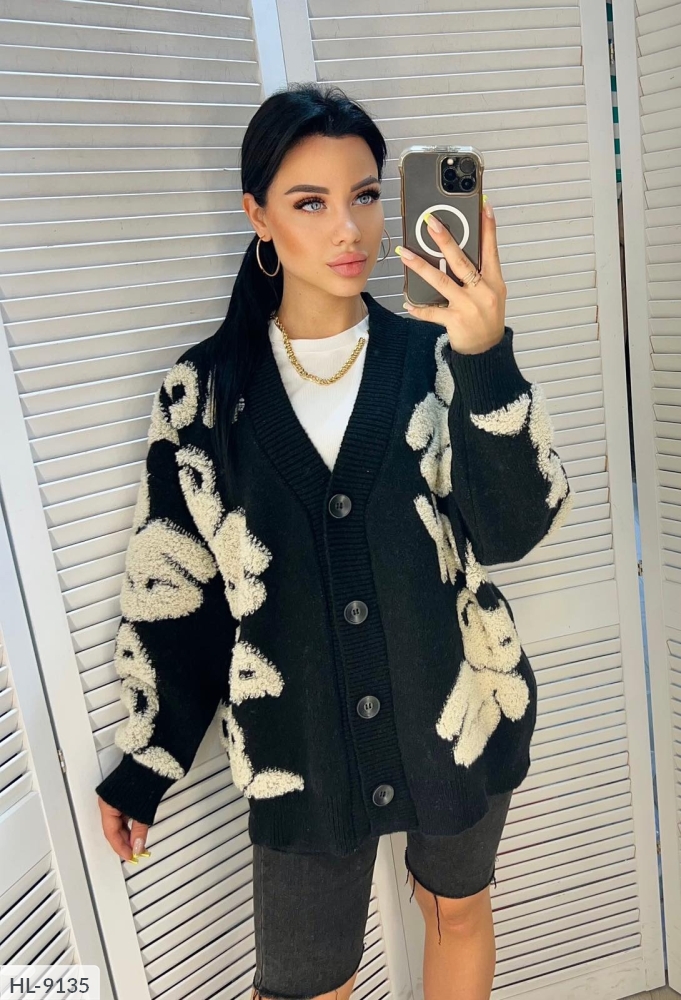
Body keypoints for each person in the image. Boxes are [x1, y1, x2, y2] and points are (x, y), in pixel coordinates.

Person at [95, 82, 573, 1000]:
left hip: (459, 709)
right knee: (305, 982)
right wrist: (147, 762)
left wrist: (485, 354)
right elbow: (179, 592)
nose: (348, 229)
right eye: (309, 203)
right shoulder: (202, 395)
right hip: (298, 743)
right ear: (258, 217)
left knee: (458, 912)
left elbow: (512, 530)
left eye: (364, 195)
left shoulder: (436, 358)